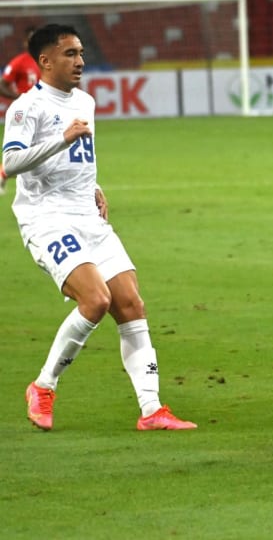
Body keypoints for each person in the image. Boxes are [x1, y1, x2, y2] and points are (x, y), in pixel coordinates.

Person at [2, 23, 197, 432]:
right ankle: (42, 386)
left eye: (81, 53)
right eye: (70, 54)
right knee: (95, 300)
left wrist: (95, 186)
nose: (80, 62)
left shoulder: (85, 101)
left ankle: (151, 410)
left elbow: (79, 156)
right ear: (45, 61)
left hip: (88, 217)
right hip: (47, 218)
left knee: (131, 304)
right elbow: (12, 162)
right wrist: (61, 138)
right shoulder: (26, 108)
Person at [0, 26, 39, 194]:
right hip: (22, 111)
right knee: (19, 147)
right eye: (30, 40)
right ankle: (2, 173)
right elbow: (2, 83)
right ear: (25, 42)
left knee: (38, 146)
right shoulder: (19, 61)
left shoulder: (47, 60)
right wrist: (17, 98)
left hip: (41, 111)